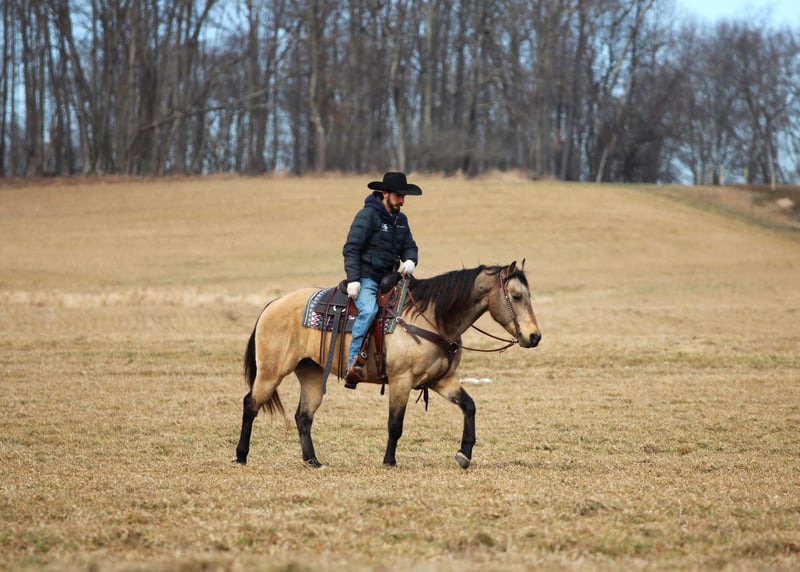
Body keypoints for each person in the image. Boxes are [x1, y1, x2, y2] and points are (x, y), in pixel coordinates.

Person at [342, 171, 422, 388]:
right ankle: (353, 364)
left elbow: (410, 246)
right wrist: (354, 279)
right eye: (399, 196)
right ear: (385, 193)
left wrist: (410, 260)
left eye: (404, 196)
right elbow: (351, 248)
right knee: (368, 311)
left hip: (391, 279)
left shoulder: (401, 220)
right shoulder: (367, 216)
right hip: (367, 278)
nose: (403, 201)